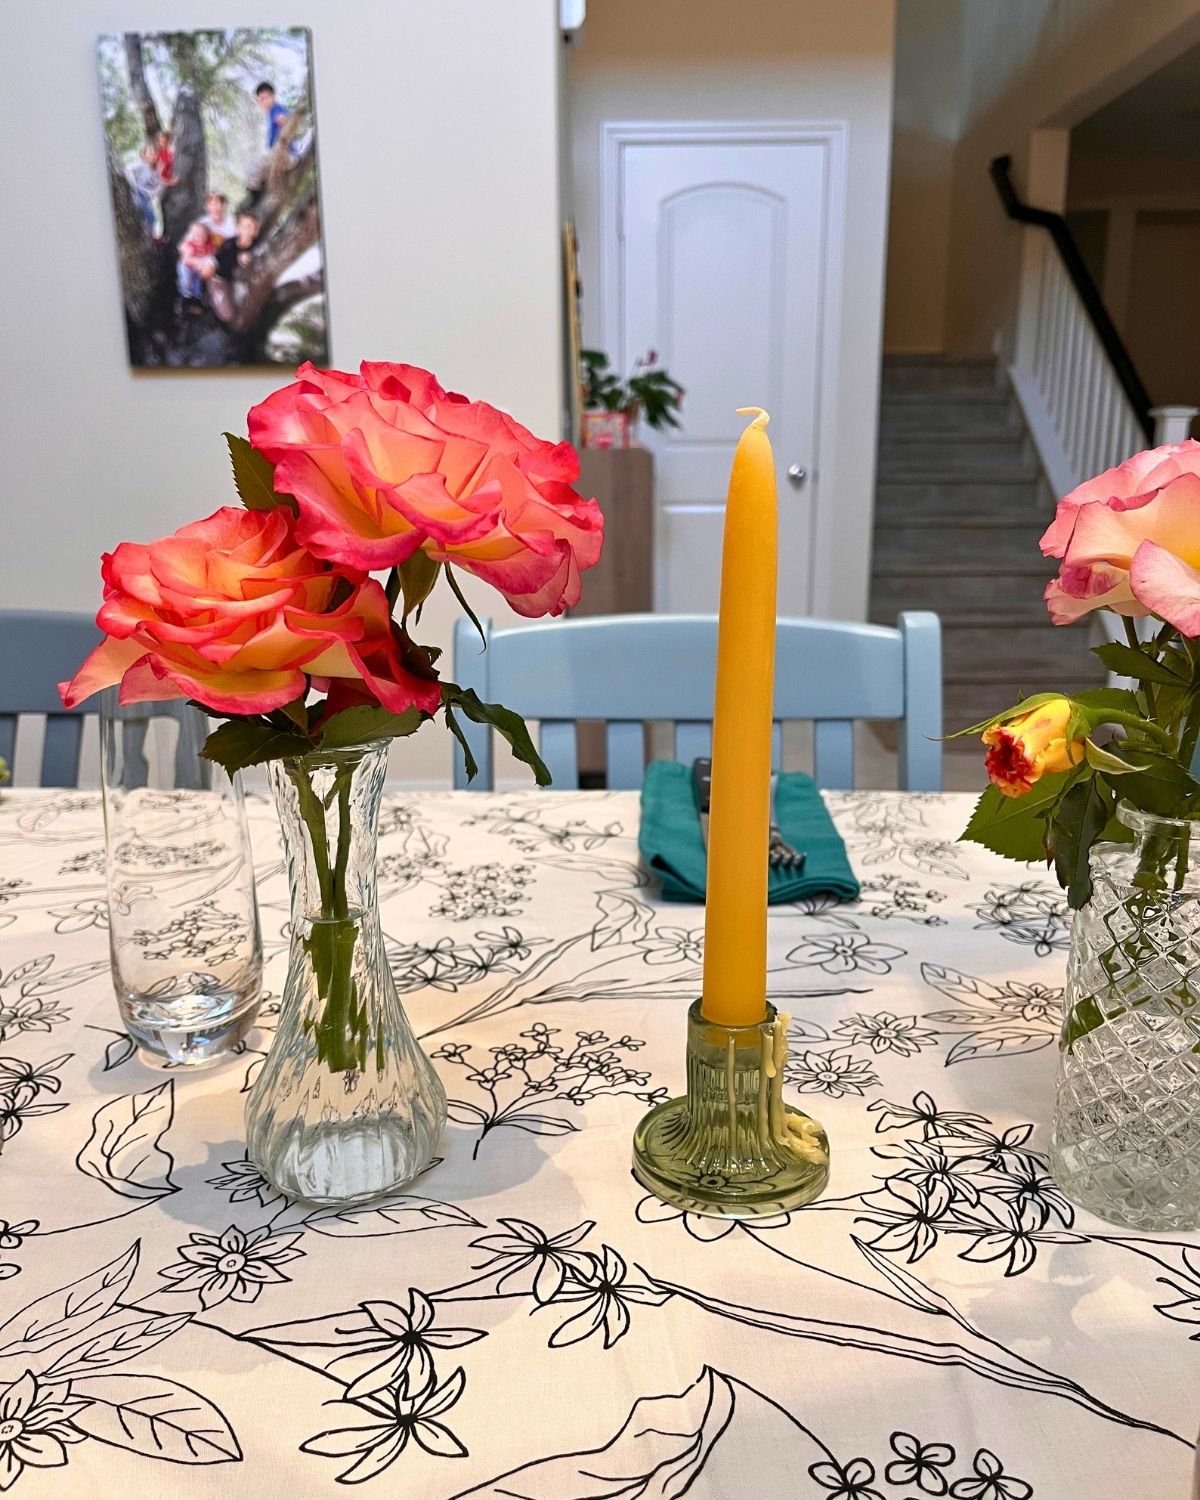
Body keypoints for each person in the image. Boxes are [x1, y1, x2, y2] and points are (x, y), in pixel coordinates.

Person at [243, 81, 294, 207]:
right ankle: (258, 192)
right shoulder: (270, 113)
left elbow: (284, 118)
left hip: (284, 154)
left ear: (273, 97)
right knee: (257, 169)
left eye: (265, 98)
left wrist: (283, 120)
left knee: (251, 166)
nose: (262, 102)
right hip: (277, 155)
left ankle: (255, 197)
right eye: (260, 99)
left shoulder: (276, 109)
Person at [209, 210, 259, 325]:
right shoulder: (230, 244)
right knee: (229, 315)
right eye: (246, 227)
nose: (249, 231)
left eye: (253, 228)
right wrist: (238, 258)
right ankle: (211, 299)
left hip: (234, 281)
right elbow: (221, 260)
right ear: (238, 229)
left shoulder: (254, 243)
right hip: (219, 281)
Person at [125, 142, 163, 236]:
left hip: (145, 197)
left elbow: (156, 185)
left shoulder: (153, 170)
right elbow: (127, 169)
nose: (152, 155)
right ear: (144, 154)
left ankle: (150, 234)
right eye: (149, 152)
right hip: (137, 194)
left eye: (154, 153)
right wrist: (133, 183)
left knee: (151, 216)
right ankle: (150, 235)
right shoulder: (141, 164)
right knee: (150, 215)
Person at [176, 221, 214, 307]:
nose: (200, 237)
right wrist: (199, 261)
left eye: (202, 234)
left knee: (197, 282)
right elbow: (186, 259)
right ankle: (185, 295)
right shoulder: (190, 246)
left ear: (207, 235)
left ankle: (196, 298)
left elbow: (212, 254)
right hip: (187, 267)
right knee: (186, 280)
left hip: (197, 269)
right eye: (196, 234)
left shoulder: (208, 246)